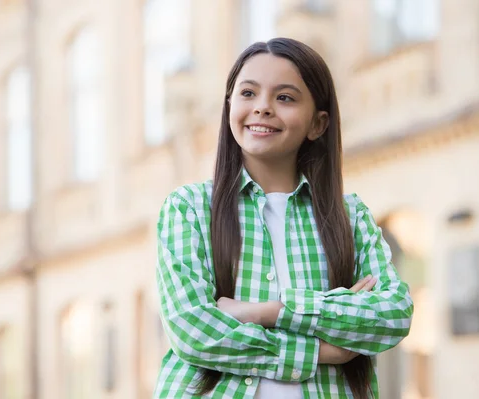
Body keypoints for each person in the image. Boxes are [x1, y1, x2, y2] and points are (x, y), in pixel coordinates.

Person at [153, 37, 413, 399]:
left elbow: (392, 314)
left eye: (285, 97)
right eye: (248, 93)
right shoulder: (189, 209)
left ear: (318, 123)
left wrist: (267, 311)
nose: (262, 108)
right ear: (229, 106)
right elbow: (192, 331)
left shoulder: (350, 216)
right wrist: (323, 349)